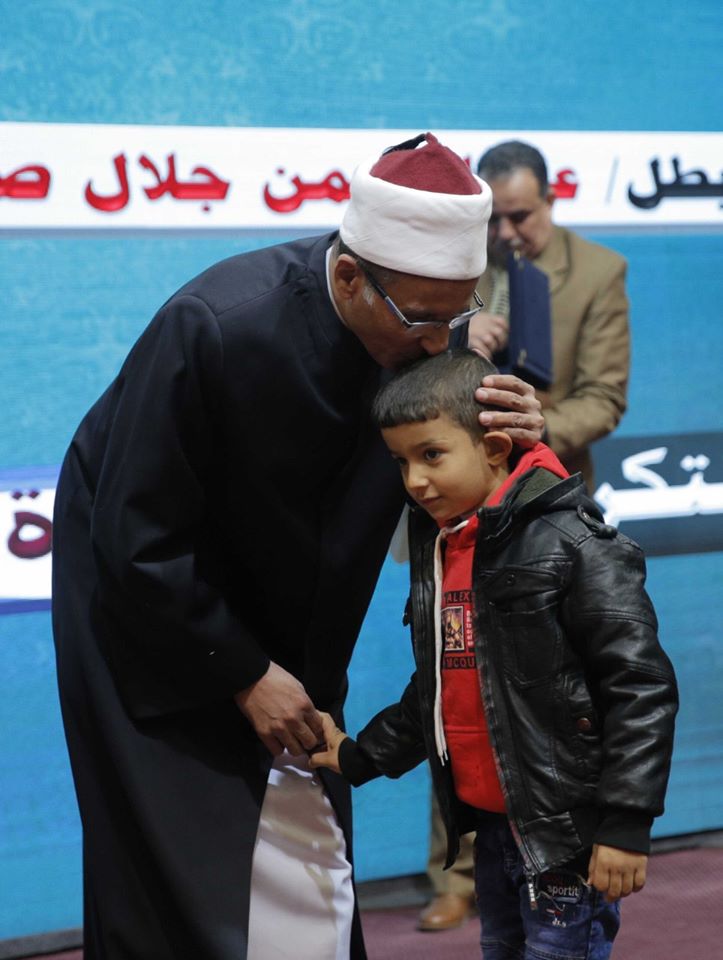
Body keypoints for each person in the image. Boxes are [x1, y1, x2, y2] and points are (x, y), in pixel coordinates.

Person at [51, 133, 545, 960]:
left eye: (458, 316)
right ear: (349, 278)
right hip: (153, 611)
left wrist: (517, 446)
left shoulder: (430, 335)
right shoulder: (216, 326)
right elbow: (133, 532)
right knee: (182, 890)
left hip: (293, 624)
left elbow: (465, 500)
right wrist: (243, 671)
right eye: (421, 319)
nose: (440, 345)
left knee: (310, 864)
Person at [310, 348, 678, 960]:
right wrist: (358, 756)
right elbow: (442, 688)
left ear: (496, 447)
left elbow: (641, 689)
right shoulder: (447, 546)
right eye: (401, 461)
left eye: (432, 455)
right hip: (492, 829)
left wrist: (626, 822)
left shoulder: (578, 544)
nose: (414, 481)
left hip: (567, 836)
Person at [421, 139, 632, 930]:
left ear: (549, 200)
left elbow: (605, 397)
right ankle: (455, 875)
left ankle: (564, 854)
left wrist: (533, 427)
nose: (506, 233)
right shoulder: (452, 273)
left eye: (520, 217)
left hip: (550, 512)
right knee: (453, 685)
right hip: (458, 517)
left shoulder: (599, 273)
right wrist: (457, 337)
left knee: (551, 693)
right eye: (495, 219)